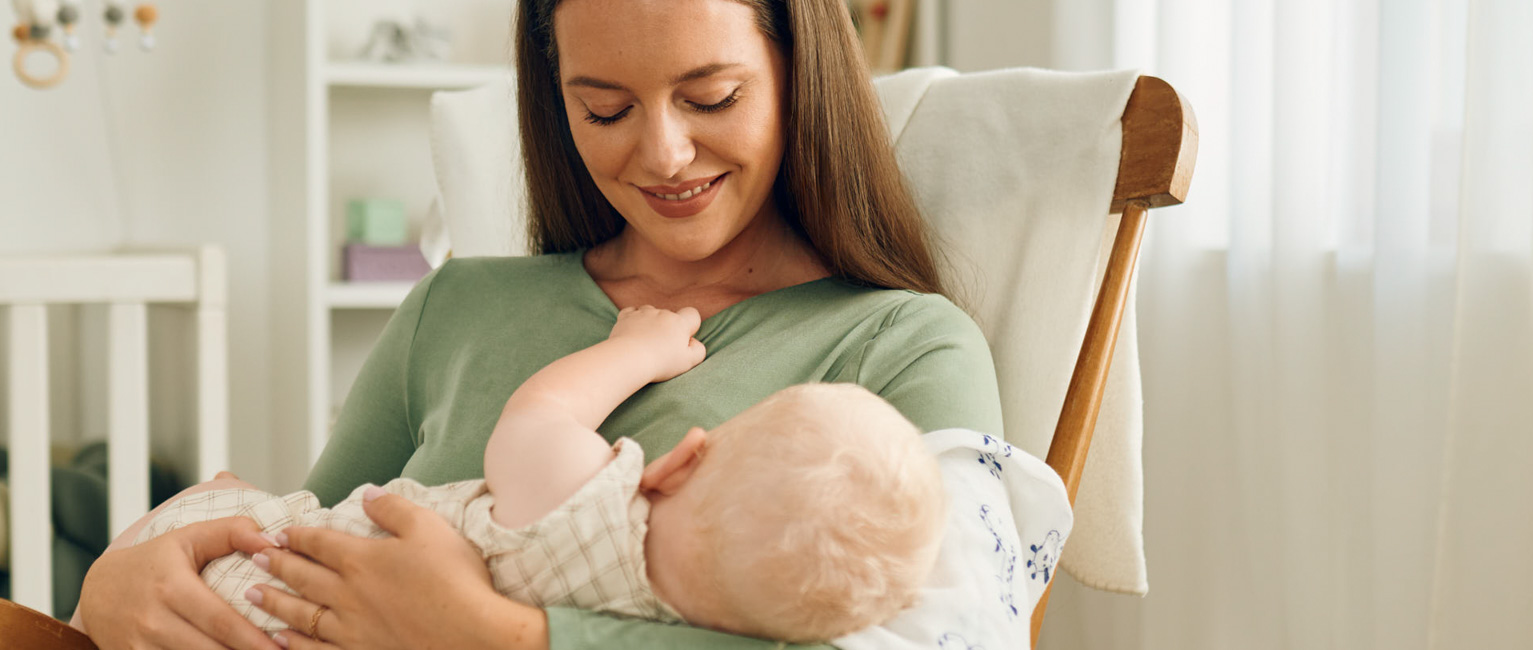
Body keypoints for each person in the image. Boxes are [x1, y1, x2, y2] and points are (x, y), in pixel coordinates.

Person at [74, 0, 1003, 648]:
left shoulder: (904, 346)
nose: (663, 153)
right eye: (605, 109)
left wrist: (501, 636)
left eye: (711, 98)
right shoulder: (458, 306)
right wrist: (118, 587)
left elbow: (949, 640)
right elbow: (299, 546)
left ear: (799, 72)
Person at [99, 306, 944, 644]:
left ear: (685, 457)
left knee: (221, 491)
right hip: (273, 619)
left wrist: (637, 350)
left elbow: (540, 414)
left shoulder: (587, 500)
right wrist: (111, 587)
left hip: (257, 584)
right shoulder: (665, 622)